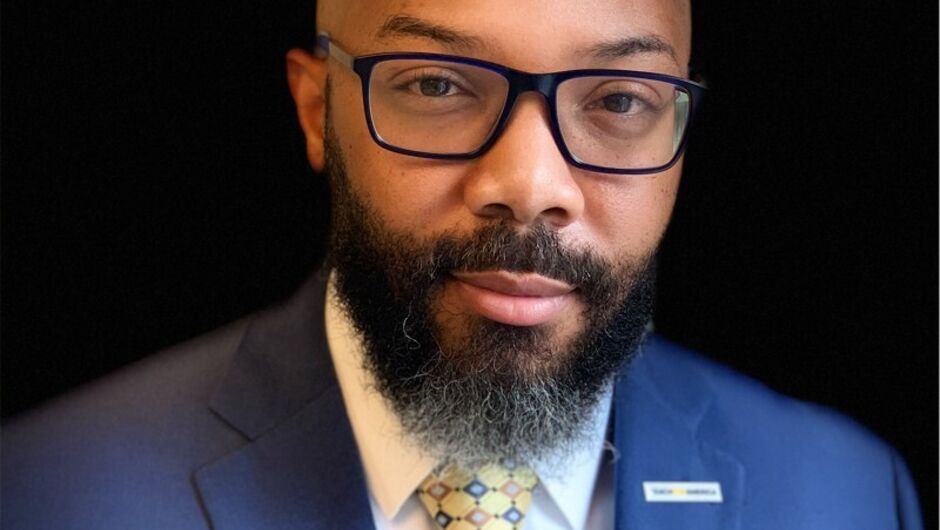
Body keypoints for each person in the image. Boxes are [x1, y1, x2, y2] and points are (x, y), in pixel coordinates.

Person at [1, 1, 923, 529]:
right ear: (319, 111)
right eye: (436, 85)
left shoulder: (844, 494)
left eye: (618, 98)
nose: (529, 186)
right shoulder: (47, 491)